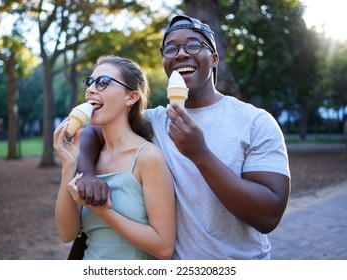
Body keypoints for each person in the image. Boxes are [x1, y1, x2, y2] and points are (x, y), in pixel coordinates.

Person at [76, 15, 291, 260]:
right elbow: (94, 131)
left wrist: (200, 155)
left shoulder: (254, 122)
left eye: (193, 45)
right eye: (171, 48)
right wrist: (87, 174)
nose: (180, 54)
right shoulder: (155, 121)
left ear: (214, 59)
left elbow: (268, 215)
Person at [53, 55, 176, 260]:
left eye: (103, 82)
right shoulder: (90, 159)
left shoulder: (148, 157)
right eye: (89, 82)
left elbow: (164, 248)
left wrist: (101, 211)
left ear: (131, 97)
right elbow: (67, 234)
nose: (91, 89)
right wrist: (68, 167)